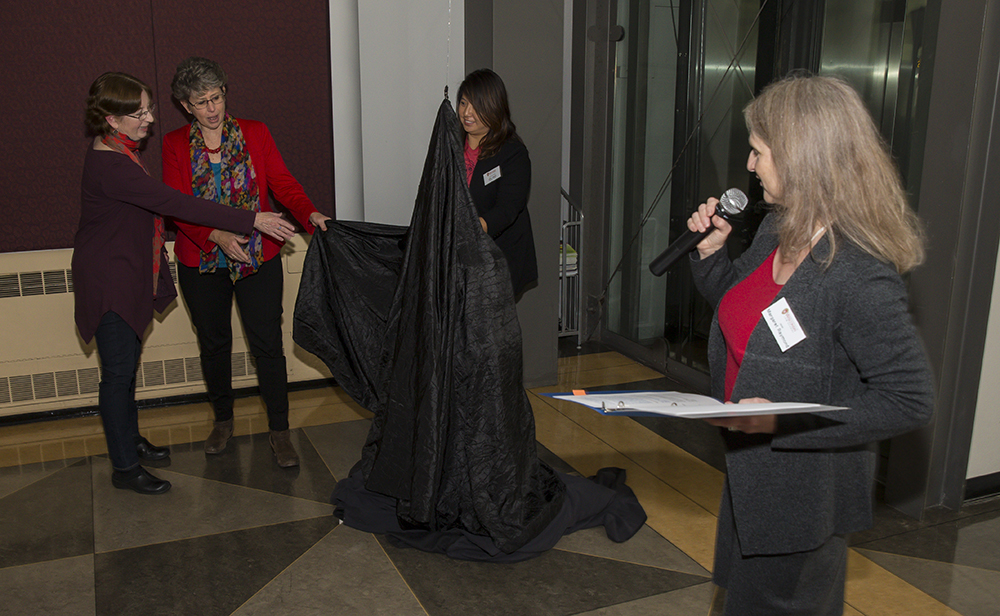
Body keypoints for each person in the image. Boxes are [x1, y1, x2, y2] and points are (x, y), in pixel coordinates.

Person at [686, 73, 934, 615]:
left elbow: (909, 400)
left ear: (802, 159)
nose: (749, 164)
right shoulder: (780, 228)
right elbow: (744, 313)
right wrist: (710, 256)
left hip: (802, 496)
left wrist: (783, 420)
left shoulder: (859, 273)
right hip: (752, 474)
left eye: (759, 151)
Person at [73, 72, 296, 495]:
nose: (148, 118)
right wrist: (251, 218)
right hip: (109, 279)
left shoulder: (119, 148)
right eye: (138, 113)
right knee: (117, 375)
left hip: (125, 272)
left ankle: (130, 441)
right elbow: (173, 202)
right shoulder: (112, 163)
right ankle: (125, 467)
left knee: (126, 368)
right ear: (111, 119)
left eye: (148, 108)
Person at [162, 57, 330, 468]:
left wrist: (308, 212)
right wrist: (216, 236)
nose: (212, 108)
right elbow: (177, 206)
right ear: (186, 106)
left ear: (225, 93)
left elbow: (283, 183)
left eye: (216, 97)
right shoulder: (173, 144)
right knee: (214, 343)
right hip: (202, 258)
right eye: (201, 102)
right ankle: (223, 420)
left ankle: (280, 430)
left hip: (258, 255)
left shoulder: (255, 132)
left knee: (267, 343)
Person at [457, 69, 537, 298]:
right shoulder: (452, 145)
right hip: (459, 257)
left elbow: (508, 209)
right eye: (463, 103)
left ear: (494, 108)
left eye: (477, 106)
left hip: (499, 257)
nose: (467, 113)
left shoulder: (512, 153)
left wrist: (468, 231)